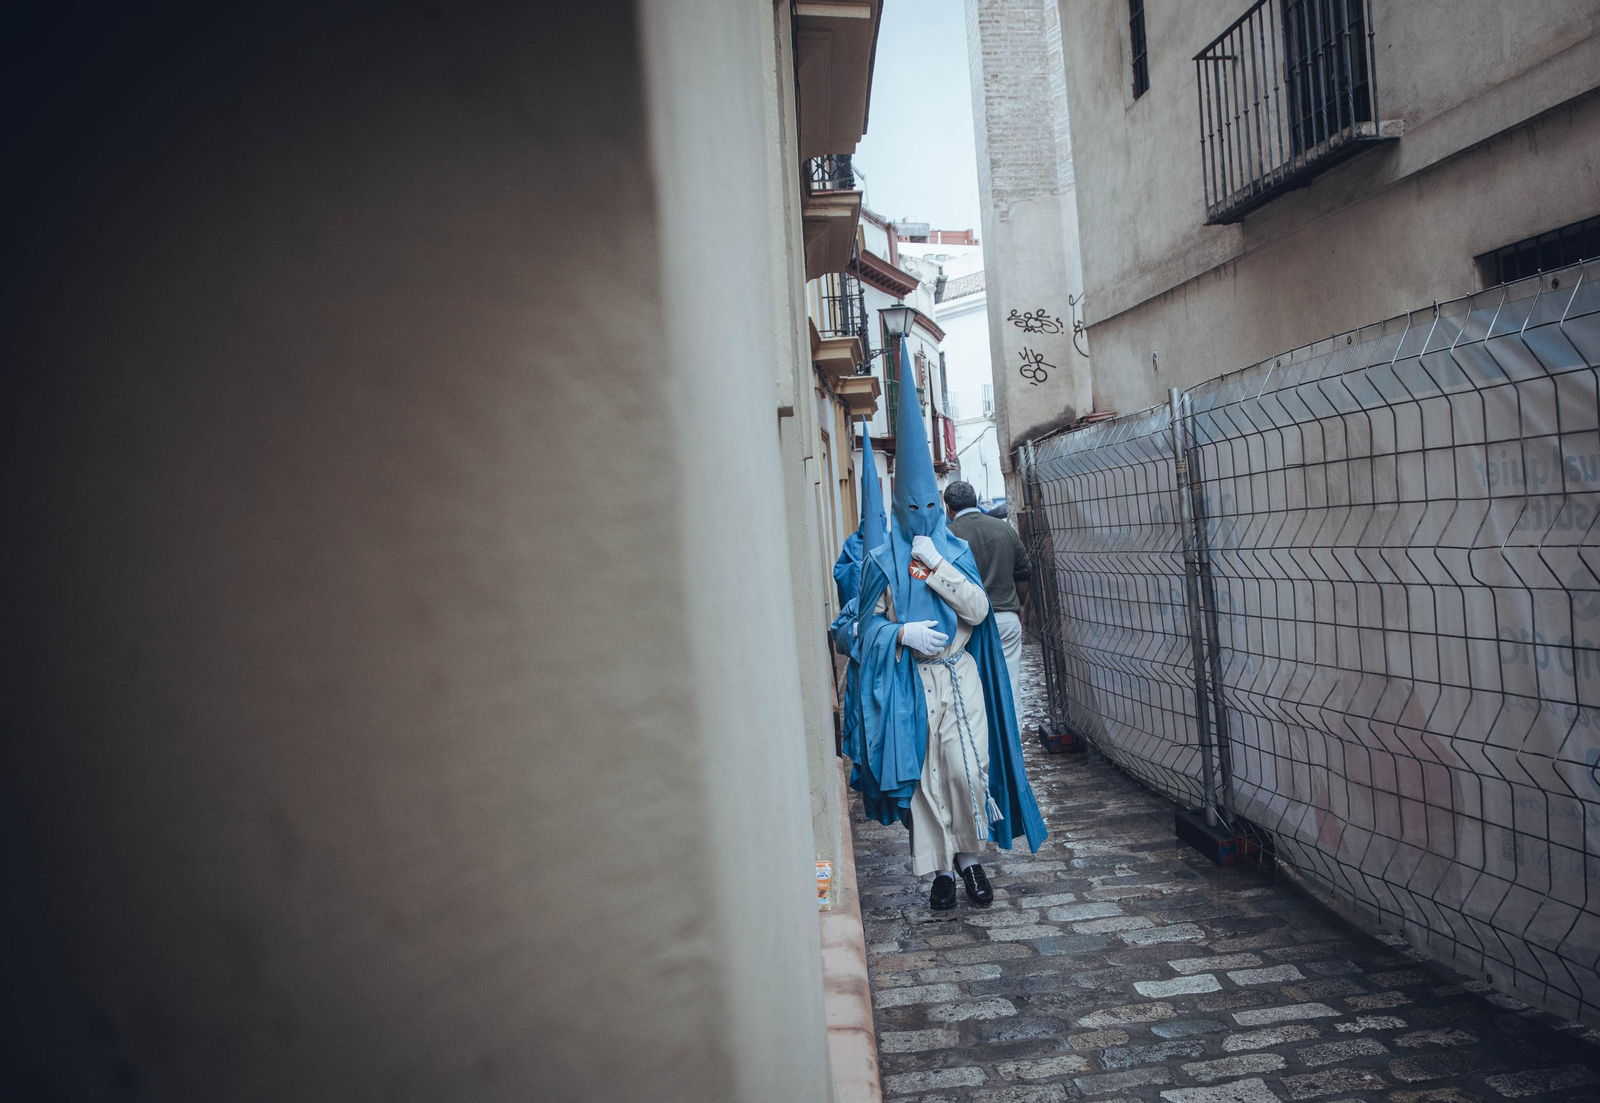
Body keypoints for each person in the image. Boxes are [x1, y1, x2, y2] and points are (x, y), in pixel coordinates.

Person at [849, 346, 1046, 912]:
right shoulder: (884, 560)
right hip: (910, 682)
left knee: (962, 771)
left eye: (925, 502)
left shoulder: (949, 550)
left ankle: (971, 860)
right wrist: (899, 636)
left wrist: (934, 564)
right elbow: (861, 629)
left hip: (959, 679)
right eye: (909, 506)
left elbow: (978, 610)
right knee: (923, 784)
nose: (918, 510)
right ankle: (939, 872)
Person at [944, 481, 1030, 711]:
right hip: (1005, 617)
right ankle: (1013, 743)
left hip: (966, 625)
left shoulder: (947, 536)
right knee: (1010, 688)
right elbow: (1023, 573)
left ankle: (982, 744)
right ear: (974, 502)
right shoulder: (1004, 529)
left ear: (948, 509)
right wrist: (1019, 606)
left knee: (972, 690)